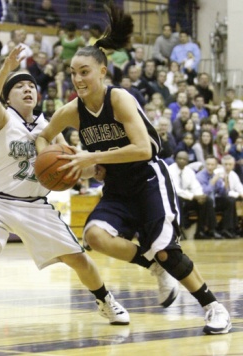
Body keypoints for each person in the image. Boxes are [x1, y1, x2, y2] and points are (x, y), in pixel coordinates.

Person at [35, 3, 231, 335]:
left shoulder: (120, 98)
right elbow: (42, 136)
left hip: (149, 178)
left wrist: (92, 159)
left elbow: (144, 149)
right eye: (72, 72)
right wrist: (58, 154)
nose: (77, 78)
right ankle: (153, 266)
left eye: (84, 71)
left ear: (101, 71)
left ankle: (214, 306)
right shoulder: (71, 111)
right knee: (95, 236)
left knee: (168, 253)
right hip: (117, 187)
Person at [0, 46, 129, 329]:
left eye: (31, 86)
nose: (28, 90)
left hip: (36, 205)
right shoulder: (1, 118)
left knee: (78, 260)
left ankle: (105, 300)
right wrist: (5, 69)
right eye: (20, 87)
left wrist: (96, 168)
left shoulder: (49, 127)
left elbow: (71, 163)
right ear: (8, 96)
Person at [168, 151, 220, 239]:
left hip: (187, 198)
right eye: (179, 158)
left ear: (187, 161)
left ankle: (202, 231)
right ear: (175, 160)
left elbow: (195, 186)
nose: (181, 161)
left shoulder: (189, 171)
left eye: (184, 159)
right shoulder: (170, 170)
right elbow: (176, 190)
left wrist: (200, 196)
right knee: (178, 199)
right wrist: (194, 196)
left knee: (207, 200)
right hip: (173, 199)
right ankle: (178, 231)